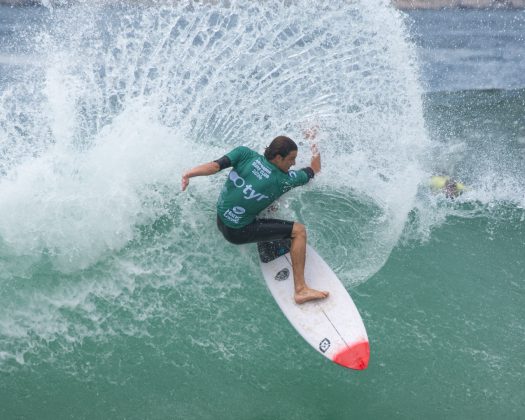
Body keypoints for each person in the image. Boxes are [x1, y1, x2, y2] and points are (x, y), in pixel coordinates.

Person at [181, 131, 329, 304]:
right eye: (291, 159)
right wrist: (313, 141)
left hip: (221, 219)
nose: (294, 163)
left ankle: (268, 243)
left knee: (271, 205)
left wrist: (188, 174)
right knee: (299, 231)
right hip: (238, 232)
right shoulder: (284, 179)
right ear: (278, 158)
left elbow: (215, 166)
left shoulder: (243, 154)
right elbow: (315, 169)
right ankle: (301, 290)